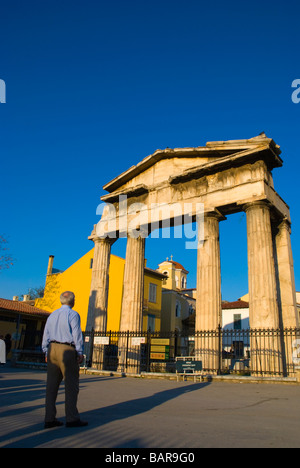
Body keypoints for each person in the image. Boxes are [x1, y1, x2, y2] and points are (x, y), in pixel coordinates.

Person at [42, 291, 88, 429]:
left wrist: (45, 351)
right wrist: (79, 351)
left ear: (61, 301)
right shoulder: (73, 314)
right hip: (67, 350)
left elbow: (46, 334)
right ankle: (72, 418)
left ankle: (49, 419)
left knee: (51, 386)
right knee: (71, 386)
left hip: (52, 349)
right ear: (73, 301)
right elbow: (76, 333)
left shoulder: (52, 315)